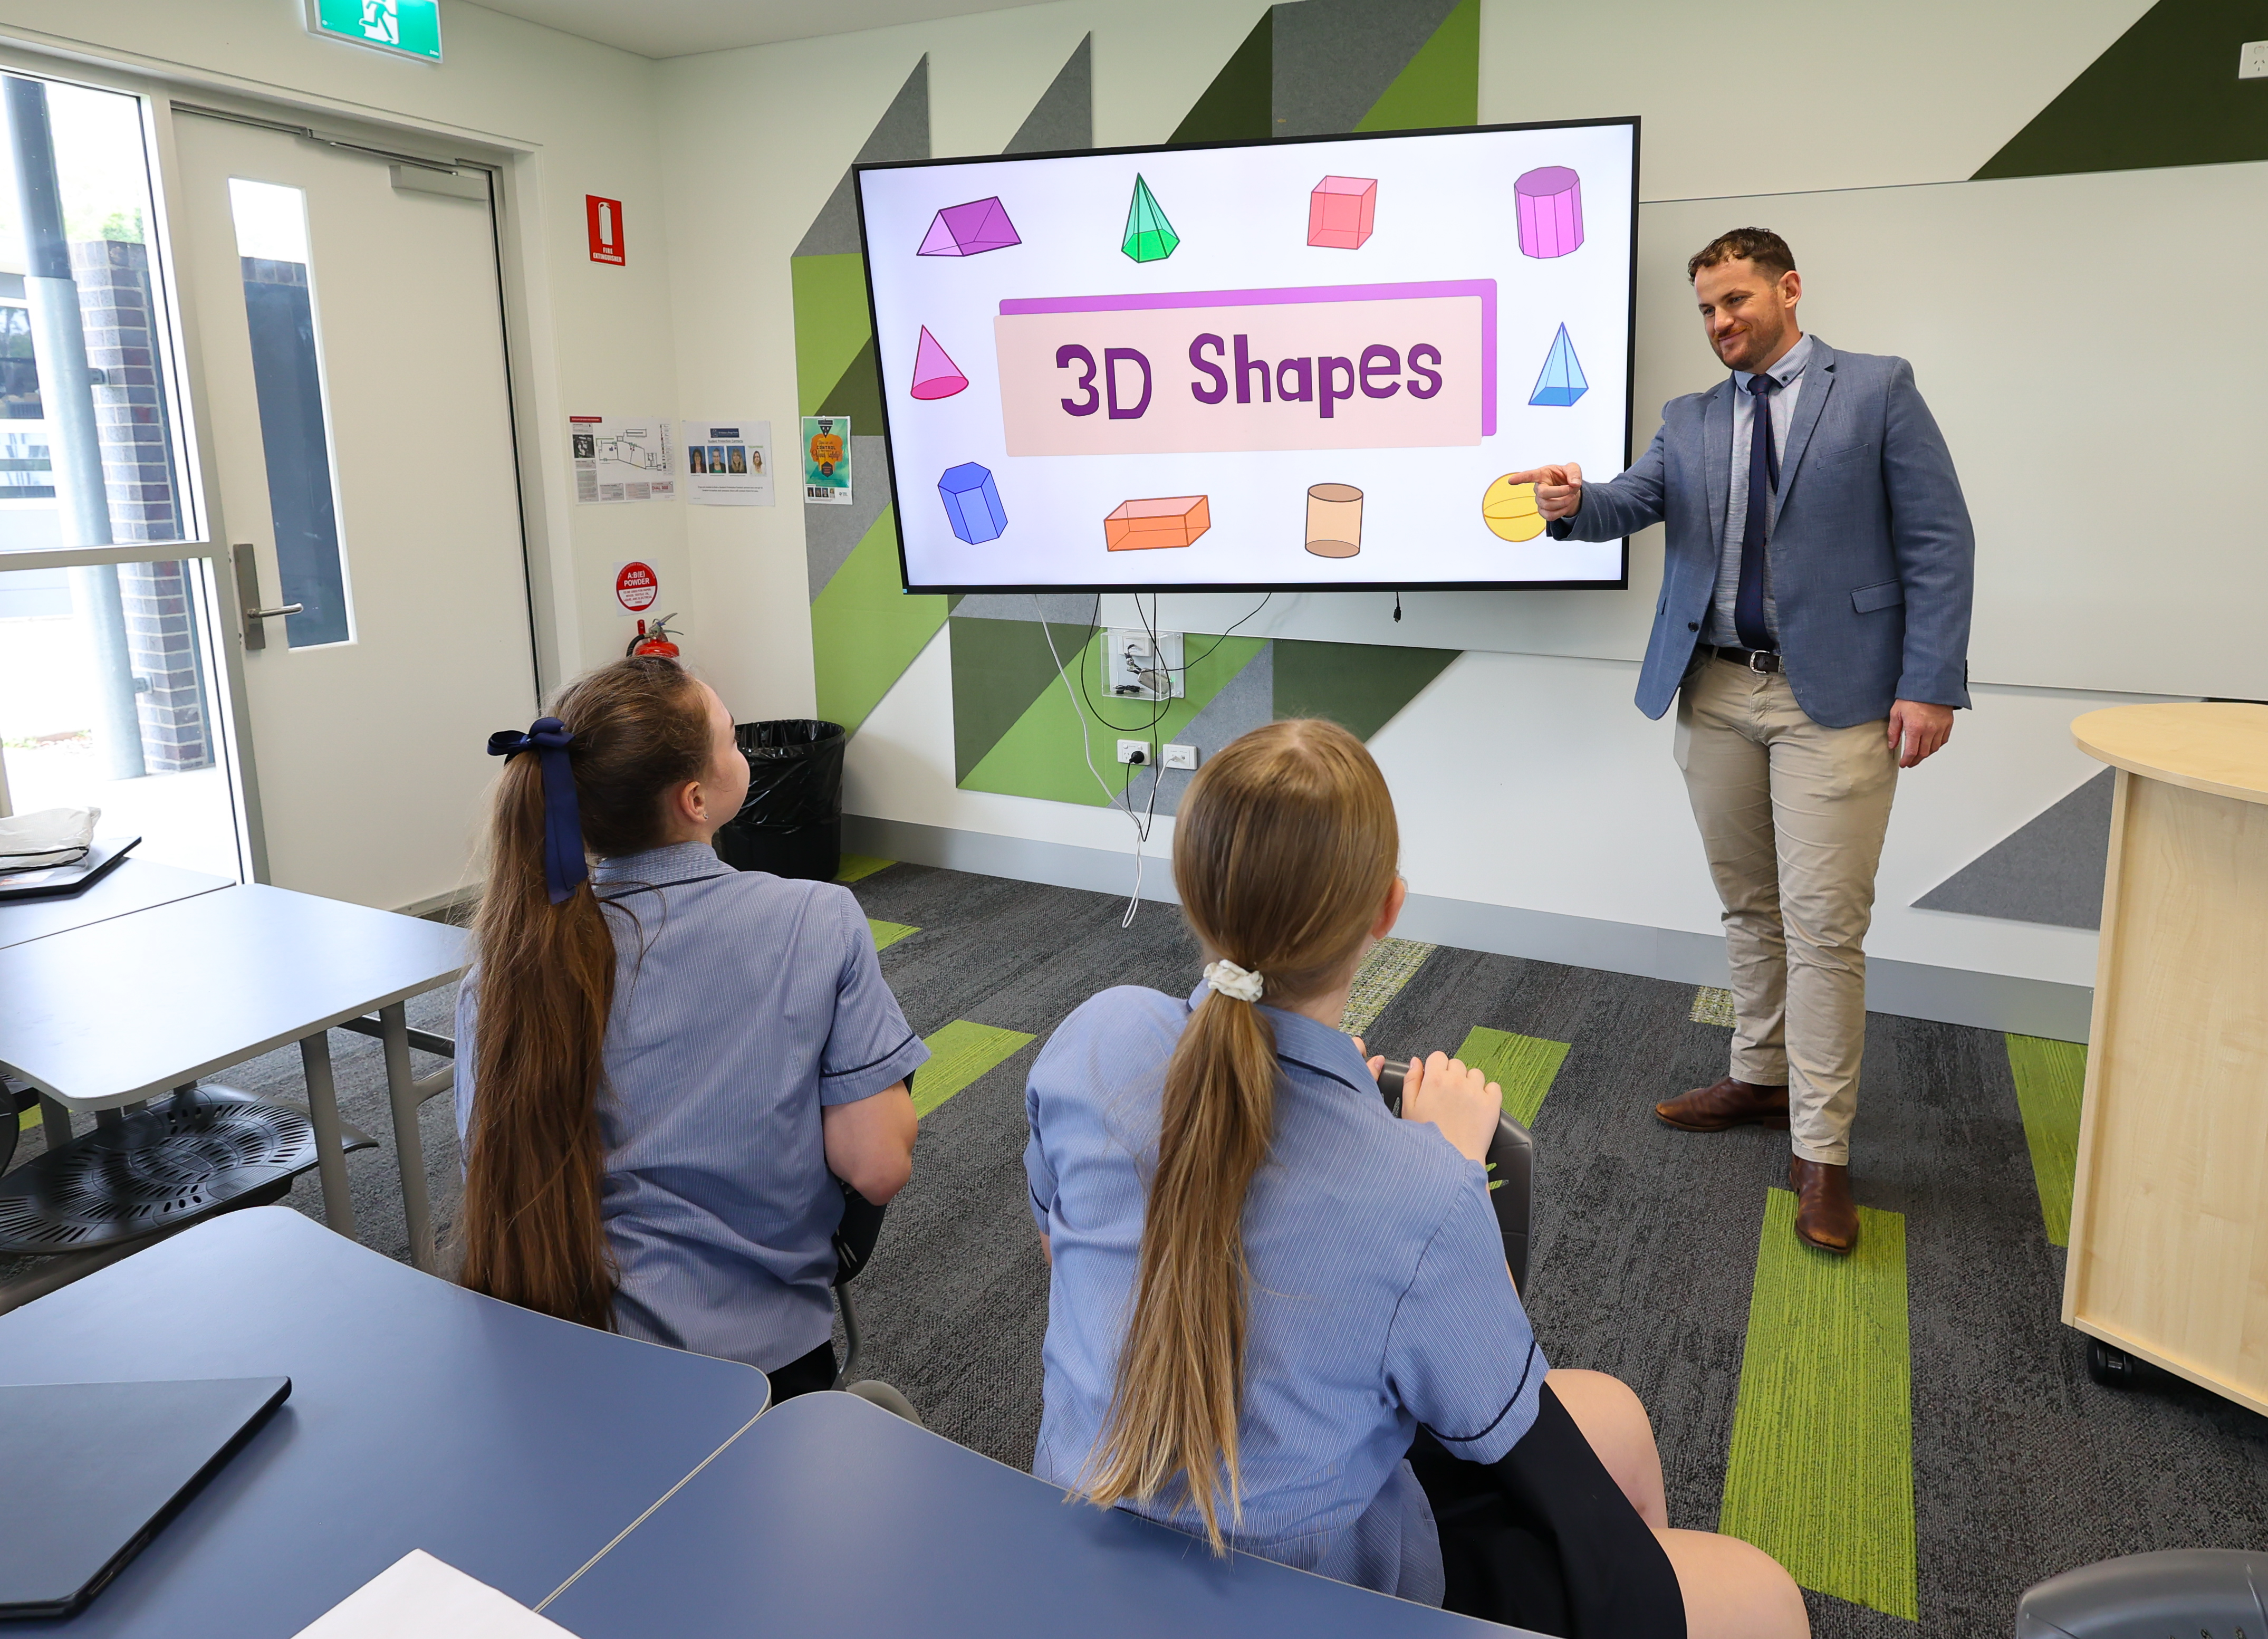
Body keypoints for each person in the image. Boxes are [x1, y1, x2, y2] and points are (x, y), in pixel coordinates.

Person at [1023, 718, 1807, 1639]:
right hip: (1319, 1595)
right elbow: (1481, 1416)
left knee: (1620, 1421)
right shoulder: (1420, 1193)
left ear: (1193, 890)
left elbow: (1065, 1247)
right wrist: (1450, 1166)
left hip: (1074, 1550)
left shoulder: (1093, 1040)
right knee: (1765, 1597)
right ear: (1387, 912)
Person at [1510, 228, 1972, 1254]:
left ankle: (1821, 1151)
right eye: (1707, 310)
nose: (1720, 323)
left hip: (1833, 703)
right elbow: (1626, 504)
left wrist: (1929, 683)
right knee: (1748, 906)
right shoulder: (1689, 419)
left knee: (1822, 930)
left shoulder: (1876, 390)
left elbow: (1938, 542)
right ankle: (1759, 1078)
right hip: (1713, 694)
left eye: (1735, 301)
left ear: (1786, 288)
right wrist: (1567, 501)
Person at [453, 656, 927, 1404]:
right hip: (762, 1372)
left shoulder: (504, 975)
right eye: (733, 739)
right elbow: (876, 1166)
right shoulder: (815, 918)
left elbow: (487, 1160)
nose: (744, 750)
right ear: (696, 798)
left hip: (559, 1374)